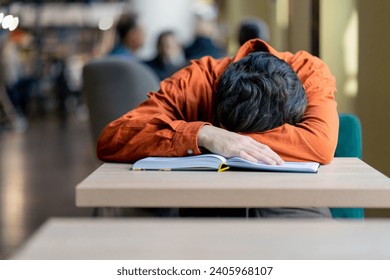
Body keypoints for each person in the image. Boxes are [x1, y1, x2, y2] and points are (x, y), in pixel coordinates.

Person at [97, 39, 339, 218]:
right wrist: (204, 134)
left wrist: (233, 142)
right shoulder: (197, 80)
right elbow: (112, 138)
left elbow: (321, 144)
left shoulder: (308, 71)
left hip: (292, 198)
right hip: (210, 200)